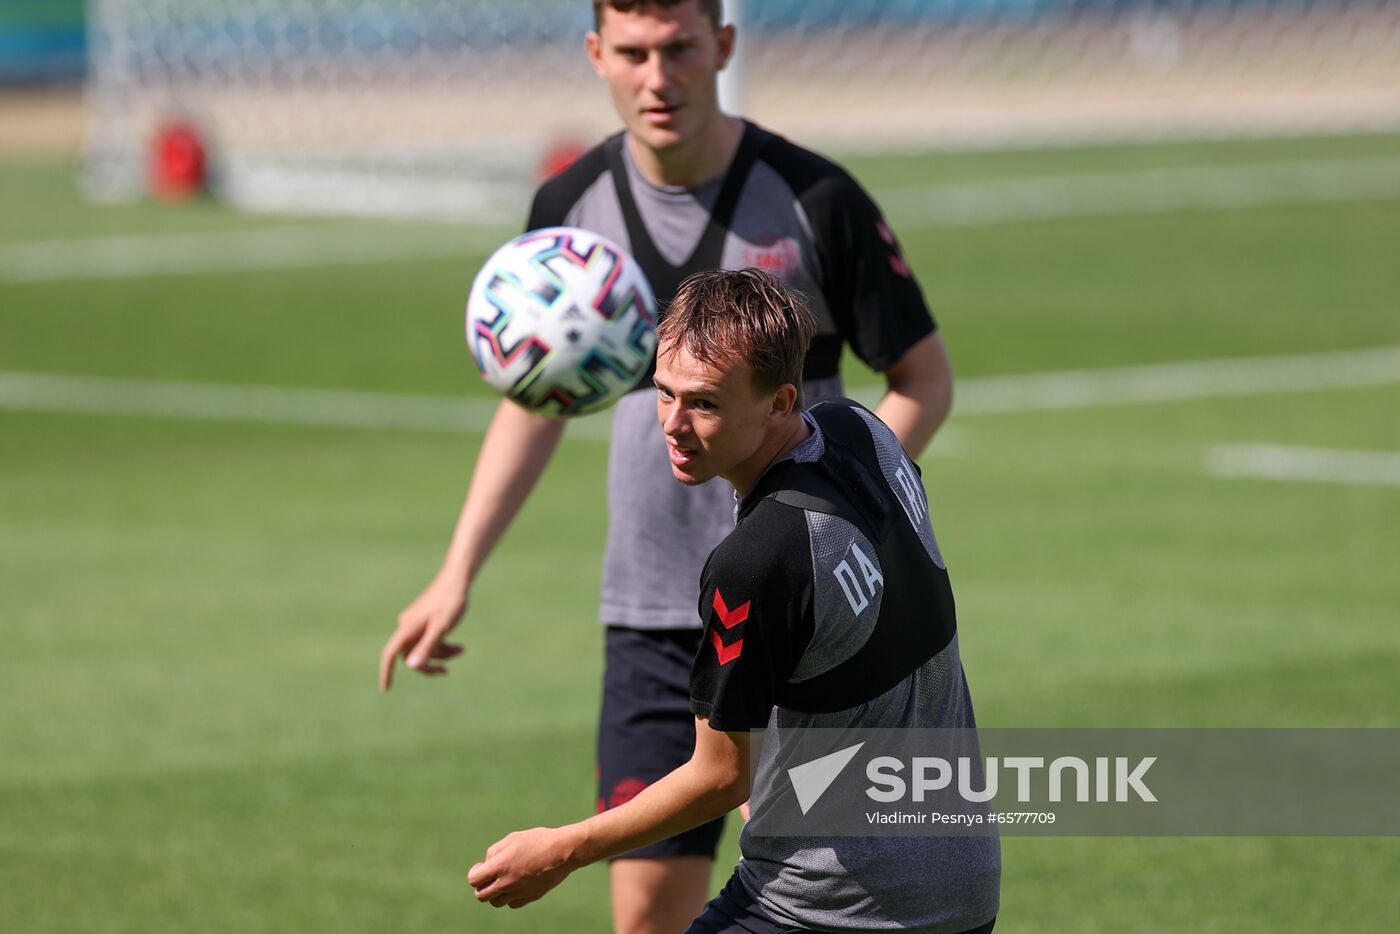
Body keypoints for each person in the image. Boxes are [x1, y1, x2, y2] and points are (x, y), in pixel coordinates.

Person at [379, 1, 954, 930]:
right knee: (646, 913)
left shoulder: (816, 199)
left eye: (682, 49)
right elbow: (538, 401)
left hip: (809, 622)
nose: (660, 77)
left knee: (843, 898)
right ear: (596, 54)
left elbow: (922, 380)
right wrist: (458, 570)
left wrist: (839, 506)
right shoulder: (568, 209)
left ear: (723, 46)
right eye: (636, 53)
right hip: (653, 613)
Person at [466, 268, 999, 933]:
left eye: (706, 404)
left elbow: (721, 780)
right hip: (962, 884)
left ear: (779, 402)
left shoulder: (758, 561)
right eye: (664, 393)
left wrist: (562, 850)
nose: (674, 424)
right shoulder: (863, 432)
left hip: (833, 908)